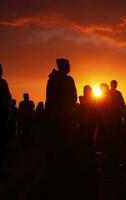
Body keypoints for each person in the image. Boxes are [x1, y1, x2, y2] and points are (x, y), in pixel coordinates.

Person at [45, 58, 77, 198]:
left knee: (55, 140)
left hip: (55, 116)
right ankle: (61, 165)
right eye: (68, 65)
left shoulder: (52, 79)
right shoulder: (68, 80)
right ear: (64, 66)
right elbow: (73, 97)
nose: (70, 66)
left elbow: (49, 99)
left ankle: (54, 164)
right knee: (63, 140)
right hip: (64, 116)